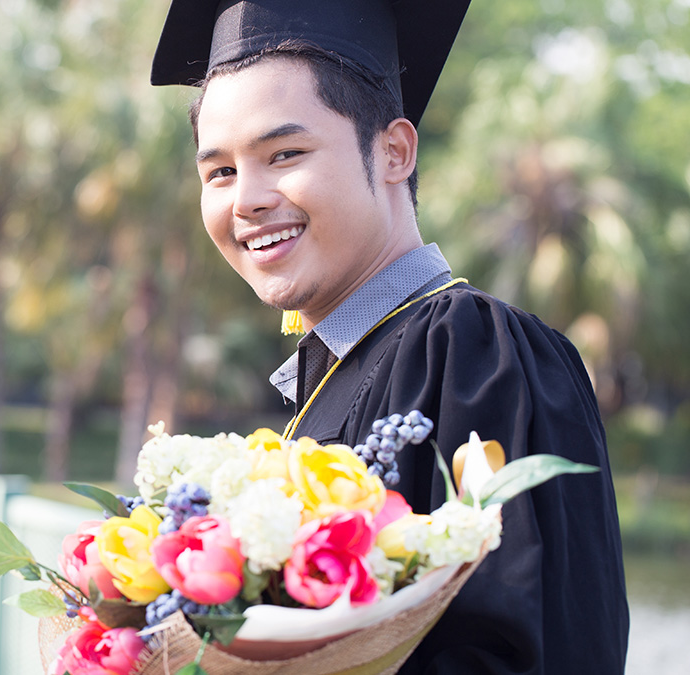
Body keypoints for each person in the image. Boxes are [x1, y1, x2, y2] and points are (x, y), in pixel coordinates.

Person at [150, 0, 629, 672]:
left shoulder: (476, 354)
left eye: (284, 153)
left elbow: (528, 646)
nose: (246, 200)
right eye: (220, 171)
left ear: (395, 150)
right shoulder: (329, 376)